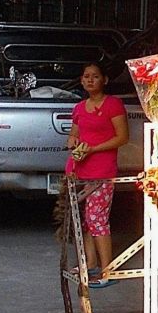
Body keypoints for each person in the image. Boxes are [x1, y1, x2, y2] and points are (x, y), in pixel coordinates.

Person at [64, 63, 129, 288]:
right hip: (80, 169)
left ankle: (108, 270)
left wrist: (93, 148)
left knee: (97, 219)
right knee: (85, 221)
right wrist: (73, 142)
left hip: (102, 171)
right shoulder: (80, 108)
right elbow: (74, 135)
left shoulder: (113, 105)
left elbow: (122, 138)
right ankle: (90, 263)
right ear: (81, 81)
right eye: (86, 77)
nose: (90, 80)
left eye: (95, 76)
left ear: (105, 80)